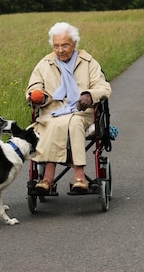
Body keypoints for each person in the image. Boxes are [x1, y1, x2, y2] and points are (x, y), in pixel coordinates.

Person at [26, 22, 111, 194]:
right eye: (56, 46)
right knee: (56, 122)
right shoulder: (45, 63)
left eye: (65, 45)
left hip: (82, 112)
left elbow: (104, 88)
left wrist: (89, 95)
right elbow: (33, 87)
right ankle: (71, 176)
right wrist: (38, 96)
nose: (60, 50)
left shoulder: (88, 62)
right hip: (52, 112)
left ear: (74, 44)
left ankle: (55, 178)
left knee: (72, 122)